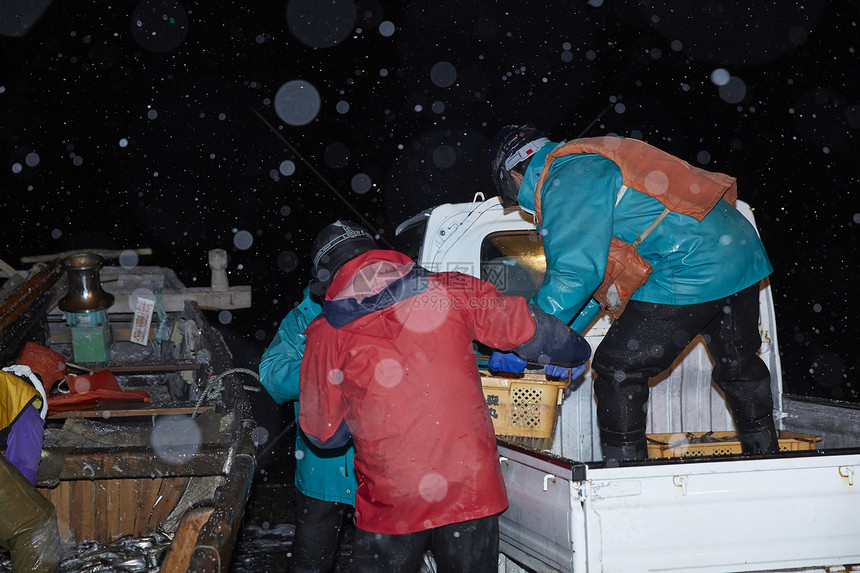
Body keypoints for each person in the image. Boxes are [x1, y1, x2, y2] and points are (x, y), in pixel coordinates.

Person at [298, 220, 591, 573]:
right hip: (469, 489)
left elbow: (324, 434)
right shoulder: (453, 289)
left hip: (392, 500)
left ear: (328, 279)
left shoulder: (325, 333)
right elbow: (541, 335)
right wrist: (575, 352)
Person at [488, 124, 779, 463]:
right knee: (738, 366)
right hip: (737, 250)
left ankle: (627, 477)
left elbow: (574, 275)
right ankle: (767, 459)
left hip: (690, 262)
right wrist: (559, 341)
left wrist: (523, 336)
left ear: (514, 174)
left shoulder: (564, 178)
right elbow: (600, 282)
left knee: (616, 369)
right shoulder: (584, 163)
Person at [259, 286, 357, 573]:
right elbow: (271, 373)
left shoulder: (384, 311)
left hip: (378, 466)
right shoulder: (303, 317)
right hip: (321, 465)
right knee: (311, 558)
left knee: (380, 557)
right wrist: (323, 370)